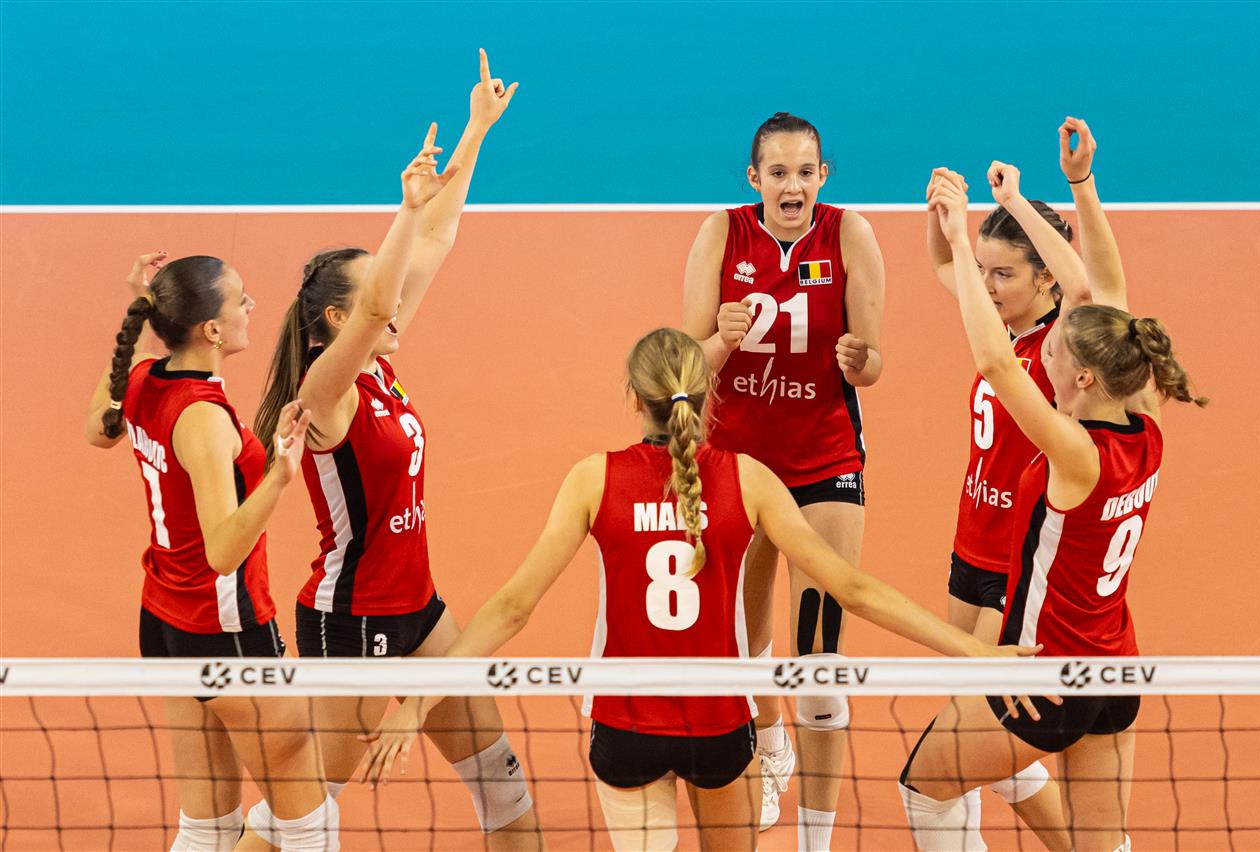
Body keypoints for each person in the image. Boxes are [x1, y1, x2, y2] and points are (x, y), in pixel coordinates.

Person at [357, 328, 1038, 852]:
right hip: (720, 724)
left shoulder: (594, 478)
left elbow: (512, 608)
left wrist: (418, 704)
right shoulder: (749, 480)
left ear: (634, 398)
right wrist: (976, 653)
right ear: (709, 392)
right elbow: (852, 590)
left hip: (624, 725)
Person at [249, 53, 540, 849]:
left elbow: (436, 238)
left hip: (420, 610)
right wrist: (404, 209)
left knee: (504, 787)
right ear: (338, 320)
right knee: (302, 815)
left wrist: (476, 129)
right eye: (381, 288)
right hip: (350, 623)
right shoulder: (326, 390)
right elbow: (384, 296)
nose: (398, 293)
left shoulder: (375, 361)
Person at [899, 168, 1205, 852]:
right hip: (1114, 664)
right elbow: (1108, 294)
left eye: (1061, 354)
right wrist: (1081, 187)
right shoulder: (1148, 428)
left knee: (925, 786)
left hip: (1043, 667)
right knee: (1104, 843)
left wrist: (978, 225)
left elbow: (1002, 360)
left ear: (1084, 375)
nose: (1050, 359)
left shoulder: (1074, 453)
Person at [85, 252, 335, 850]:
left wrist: (134, 307)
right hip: (225, 628)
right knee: (309, 825)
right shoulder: (202, 416)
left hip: (164, 618)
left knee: (207, 829)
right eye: (240, 299)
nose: (252, 307)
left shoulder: (141, 377)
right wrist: (279, 477)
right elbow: (223, 550)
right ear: (213, 330)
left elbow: (98, 428)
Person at [682, 112, 885, 846]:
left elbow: (874, 363)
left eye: (805, 172)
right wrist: (720, 339)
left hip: (823, 464)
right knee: (739, 644)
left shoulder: (850, 235)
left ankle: (815, 839)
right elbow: (684, 368)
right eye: (778, 173)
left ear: (822, 176)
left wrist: (860, 361)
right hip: (734, 467)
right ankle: (769, 744)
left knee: (820, 665)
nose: (792, 186)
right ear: (755, 178)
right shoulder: (721, 234)